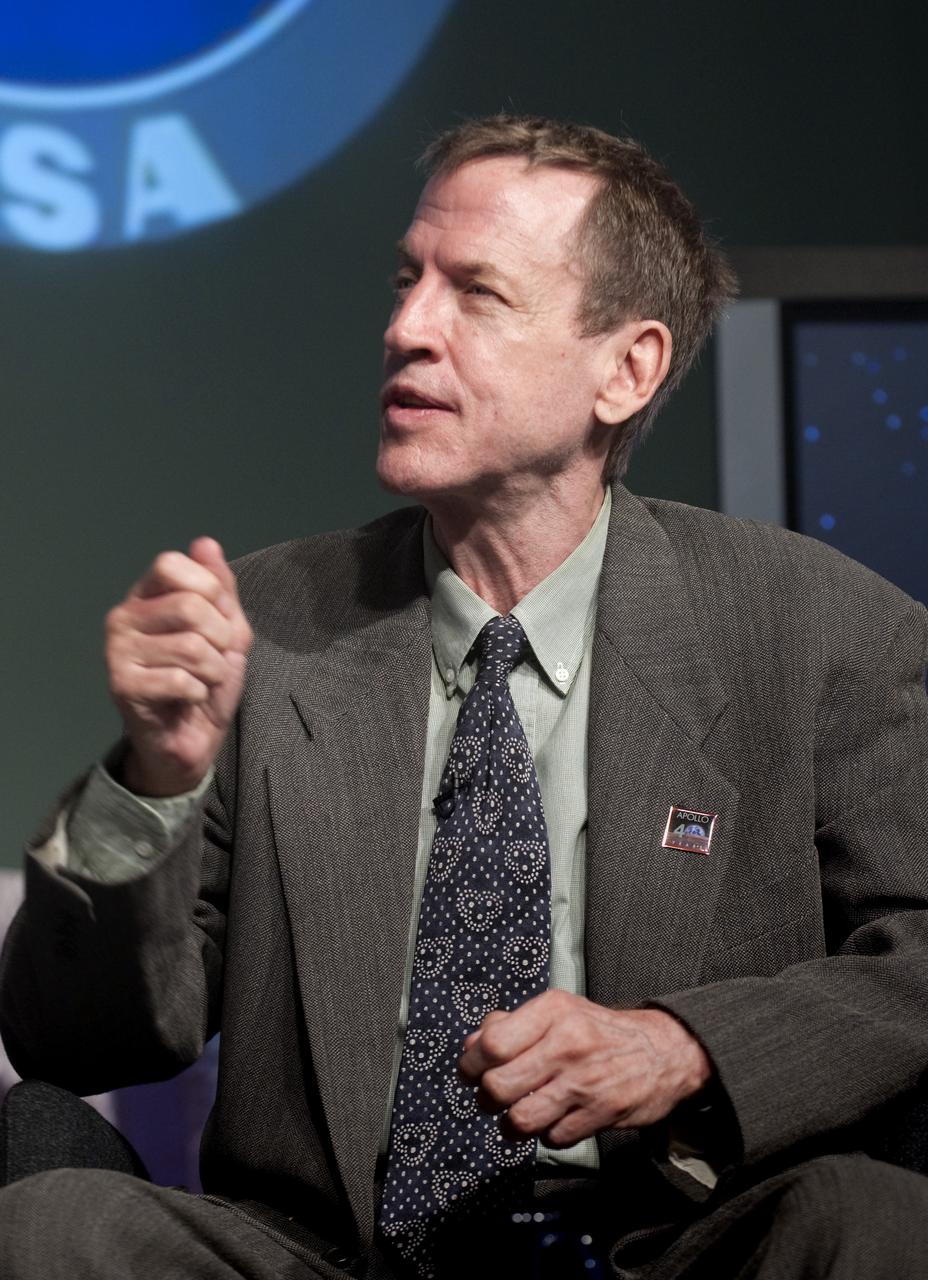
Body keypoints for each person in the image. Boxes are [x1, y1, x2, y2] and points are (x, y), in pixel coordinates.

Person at [1, 114, 928, 1279]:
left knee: (871, 1222)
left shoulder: (816, 628)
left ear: (626, 368)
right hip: (326, 1257)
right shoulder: (267, 627)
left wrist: (685, 1046)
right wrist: (155, 779)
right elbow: (73, 1037)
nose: (406, 328)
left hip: (686, 1246)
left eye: (476, 293)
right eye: (407, 280)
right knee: (52, 1228)